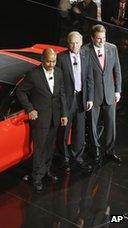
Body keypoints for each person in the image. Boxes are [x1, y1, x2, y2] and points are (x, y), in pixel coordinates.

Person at [17, 48, 68, 191]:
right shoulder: (33, 75)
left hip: (55, 116)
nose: (52, 64)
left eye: (54, 61)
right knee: (39, 148)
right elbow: (20, 92)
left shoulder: (59, 72)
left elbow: (62, 94)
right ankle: (37, 177)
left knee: (50, 146)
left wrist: (64, 114)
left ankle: (46, 171)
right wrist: (30, 109)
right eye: (49, 61)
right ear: (42, 60)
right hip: (41, 118)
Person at [84, 24, 122, 163]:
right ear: (92, 38)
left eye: (104, 38)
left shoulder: (112, 48)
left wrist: (118, 89)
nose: (102, 41)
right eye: (99, 38)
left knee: (111, 124)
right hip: (93, 96)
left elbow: (117, 70)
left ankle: (110, 151)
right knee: (93, 125)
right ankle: (96, 151)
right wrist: (88, 96)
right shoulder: (85, 51)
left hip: (110, 93)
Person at [57, 31, 93, 172]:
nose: (75, 45)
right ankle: (64, 159)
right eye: (72, 42)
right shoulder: (61, 58)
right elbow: (58, 83)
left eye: (77, 42)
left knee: (79, 130)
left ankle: (78, 158)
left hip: (81, 99)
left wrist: (89, 98)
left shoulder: (86, 56)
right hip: (67, 100)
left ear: (82, 42)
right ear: (68, 43)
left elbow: (89, 79)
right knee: (64, 131)